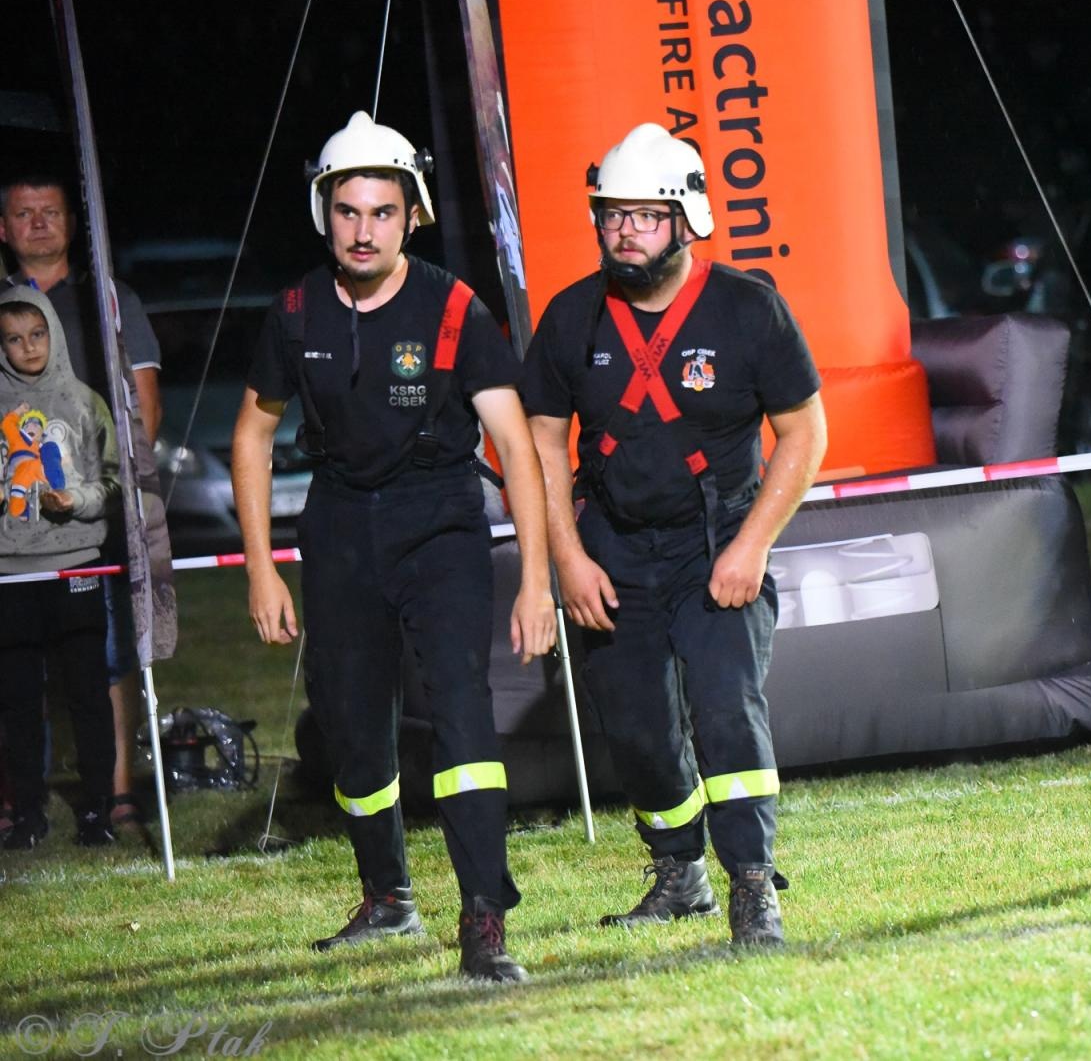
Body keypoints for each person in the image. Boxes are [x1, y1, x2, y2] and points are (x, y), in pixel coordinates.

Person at [231, 112, 556, 982]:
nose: (363, 228)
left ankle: (484, 919)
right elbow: (253, 435)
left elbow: (516, 449)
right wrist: (261, 568)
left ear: (411, 214)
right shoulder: (294, 311)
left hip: (439, 523)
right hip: (338, 528)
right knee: (353, 730)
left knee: (460, 715)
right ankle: (387, 898)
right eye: (347, 211)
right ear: (323, 213)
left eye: (381, 210)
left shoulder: (455, 307)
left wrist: (535, 579)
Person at [522, 123, 826, 946]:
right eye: (612, 215)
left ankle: (753, 884)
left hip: (717, 541)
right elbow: (544, 442)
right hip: (612, 549)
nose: (624, 231)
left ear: (687, 216)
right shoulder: (569, 316)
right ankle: (678, 870)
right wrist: (568, 559)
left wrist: (752, 546)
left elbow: (804, 434)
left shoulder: (748, 308)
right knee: (639, 729)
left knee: (729, 712)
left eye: (644, 216)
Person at [1, 171, 164, 828]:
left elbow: (142, 405)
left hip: (90, 525)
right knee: (14, 670)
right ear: (4, 228)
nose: (39, 223)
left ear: (72, 222)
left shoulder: (109, 300)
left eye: (51, 212)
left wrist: (113, 492)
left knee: (105, 659)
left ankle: (117, 789)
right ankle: (20, 799)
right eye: (24, 213)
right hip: (10, 536)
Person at [0, 285, 121, 849]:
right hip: (10, 574)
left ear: (54, 331)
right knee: (18, 698)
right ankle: (27, 813)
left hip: (77, 567)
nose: (28, 348)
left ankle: (97, 811)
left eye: (38, 334)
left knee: (88, 692)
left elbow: (115, 480)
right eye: (14, 339)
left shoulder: (84, 401)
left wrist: (77, 502)